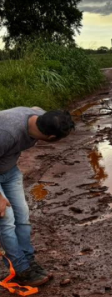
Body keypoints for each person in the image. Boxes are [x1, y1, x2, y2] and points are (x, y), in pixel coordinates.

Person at [0, 107, 74, 287]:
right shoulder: (7, 133)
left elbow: (32, 107)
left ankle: (27, 261)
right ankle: (21, 269)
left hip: (9, 171)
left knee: (22, 217)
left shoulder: (40, 116)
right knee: (6, 220)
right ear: (50, 138)